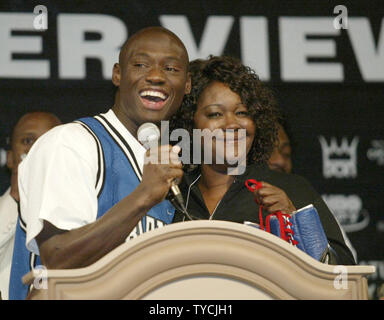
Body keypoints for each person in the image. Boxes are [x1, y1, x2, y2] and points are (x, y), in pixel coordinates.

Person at [10, 26, 191, 300]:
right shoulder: (71, 143)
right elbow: (58, 259)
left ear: (187, 84)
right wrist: (143, 195)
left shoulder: (169, 170)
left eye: (171, 69)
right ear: (117, 74)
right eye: (141, 65)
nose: (156, 76)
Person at [169, 55, 356, 265]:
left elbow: (344, 274)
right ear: (189, 123)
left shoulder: (291, 188)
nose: (232, 124)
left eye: (242, 112)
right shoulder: (172, 193)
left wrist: (295, 223)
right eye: (215, 114)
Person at [0, 111, 61, 300]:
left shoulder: (84, 214)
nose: (37, 149)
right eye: (28, 141)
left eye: (47, 142)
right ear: (10, 158)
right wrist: (18, 197)